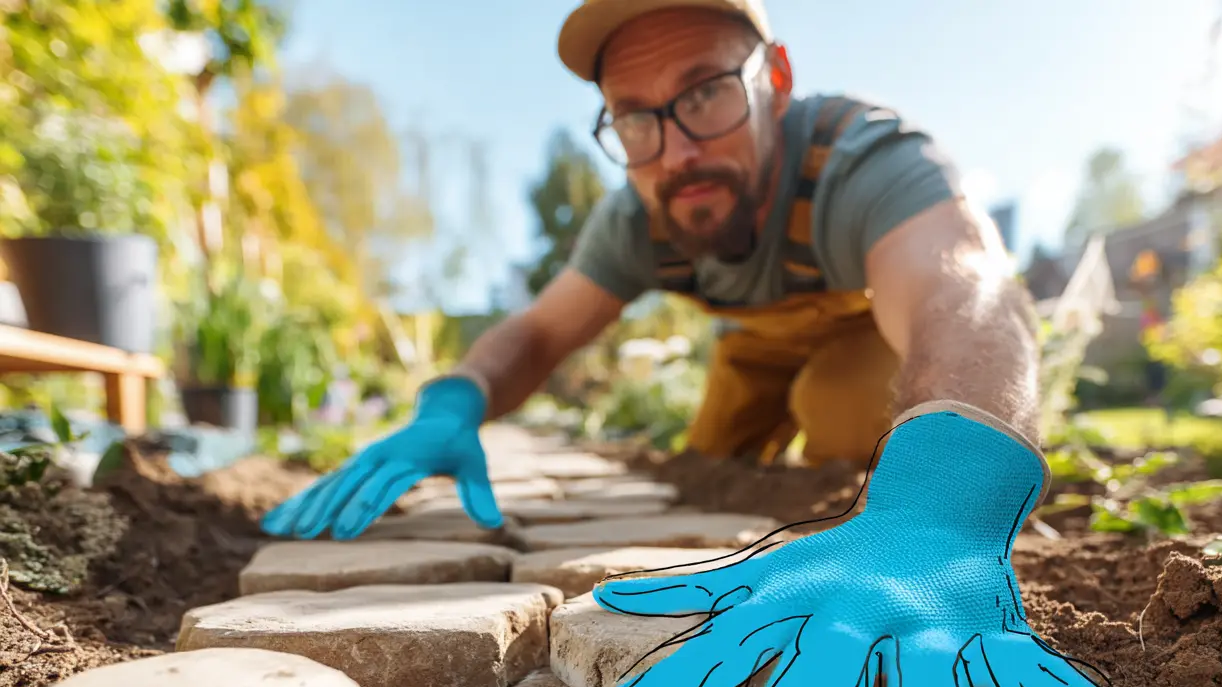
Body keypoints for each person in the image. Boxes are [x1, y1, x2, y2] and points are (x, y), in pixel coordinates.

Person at [262, 0, 1042, 542]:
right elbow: (538, 332)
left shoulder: (862, 159)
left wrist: (951, 493)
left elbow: (965, 291)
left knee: (839, 408)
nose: (677, 152)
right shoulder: (639, 215)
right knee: (706, 468)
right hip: (753, 349)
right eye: (636, 117)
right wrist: (454, 400)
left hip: (865, 337)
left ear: (775, 79)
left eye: (704, 93)